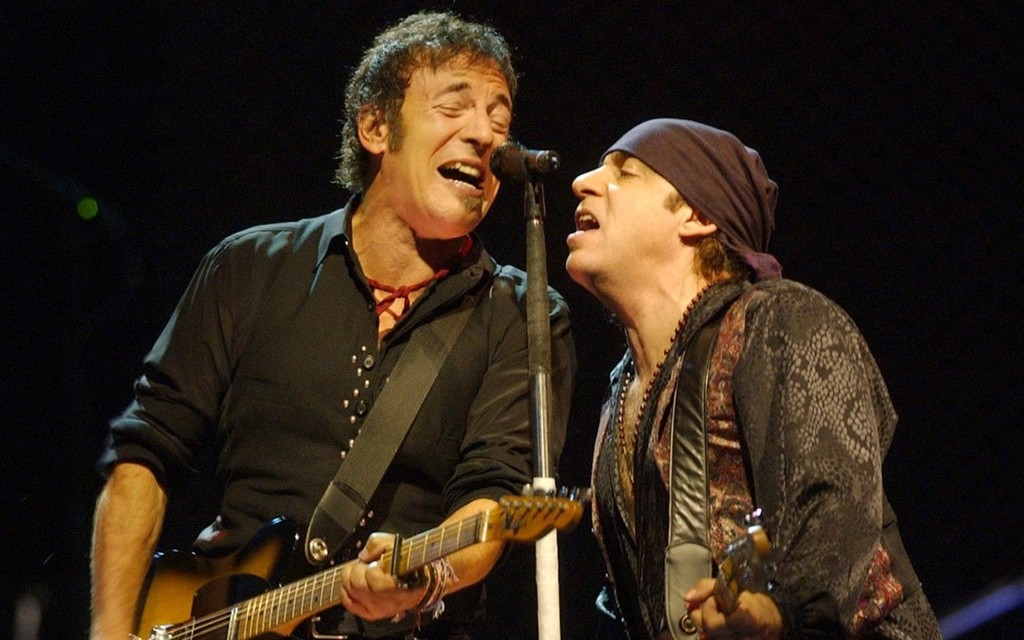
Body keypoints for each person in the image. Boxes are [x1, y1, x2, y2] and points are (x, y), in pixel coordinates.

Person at [89, 11, 576, 640]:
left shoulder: (521, 313)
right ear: (375, 127)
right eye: (454, 108)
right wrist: (109, 629)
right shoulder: (249, 267)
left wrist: (425, 579)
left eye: (500, 121)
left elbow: (492, 490)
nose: (485, 136)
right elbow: (146, 452)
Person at [565, 118, 941, 639]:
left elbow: (835, 500)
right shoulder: (622, 391)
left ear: (697, 215)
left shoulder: (781, 320)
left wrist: (779, 611)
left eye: (625, 173)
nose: (581, 182)